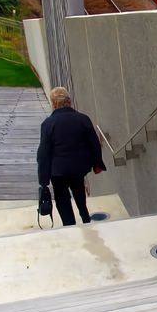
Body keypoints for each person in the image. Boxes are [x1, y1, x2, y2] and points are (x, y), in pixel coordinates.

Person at [37, 87, 106, 226]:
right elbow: (94, 143)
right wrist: (97, 163)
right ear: (69, 101)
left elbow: (43, 154)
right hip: (78, 168)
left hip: (58, 171)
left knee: (62, 199)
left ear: (54, 103)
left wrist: (43, 180)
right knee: (79, 191)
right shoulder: (82, 119)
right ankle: (85, 217)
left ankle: (69, 225)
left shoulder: (48, 124)